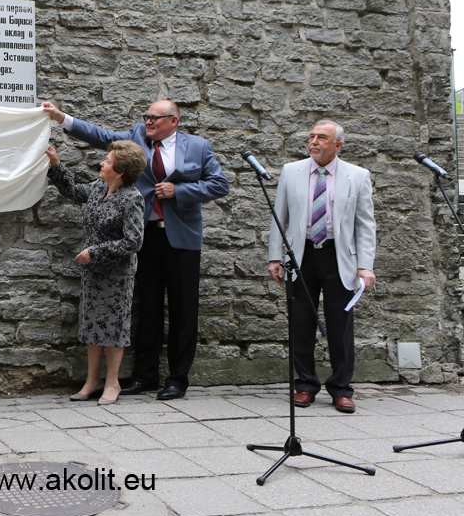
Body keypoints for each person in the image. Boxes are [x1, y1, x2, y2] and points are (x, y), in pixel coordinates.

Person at [41, 100, 229, 400]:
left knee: (183, 309)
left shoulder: (198, 147)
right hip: (144, 237)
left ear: (174, 121)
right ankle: (145, 376)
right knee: (148, 308)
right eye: (147, 116)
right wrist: (62, 118)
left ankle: (178, 379)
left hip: (181, 238)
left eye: (156, 118)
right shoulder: (137, 135)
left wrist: (179, 190)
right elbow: (100, 136)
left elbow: (220, 185)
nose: (148, 122)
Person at [267, 120, 377, 413]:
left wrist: (365, 265)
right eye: (312, 136)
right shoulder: (292, 171)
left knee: (340, 325)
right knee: (300, 322)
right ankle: (305, 385)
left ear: (338, 145)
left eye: (322, 138)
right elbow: (280, 215)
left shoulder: (358, 175)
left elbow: (365, 224)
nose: (314, 142)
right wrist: (275, 257)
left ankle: (341, 388)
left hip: (339, 257)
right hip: (301, 256)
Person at [45, 140, 146, 405]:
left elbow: (133, 242)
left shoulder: (132, 198)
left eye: (108, 161)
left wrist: (95, 251)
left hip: (117, 273)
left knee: (114, 327)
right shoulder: (100, 187)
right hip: (93, 271)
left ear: (120, 171)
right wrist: (56, 165)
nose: (102, 163)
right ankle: (92, 381)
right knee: (91, 324)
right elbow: (73, 191)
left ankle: (113, 382)